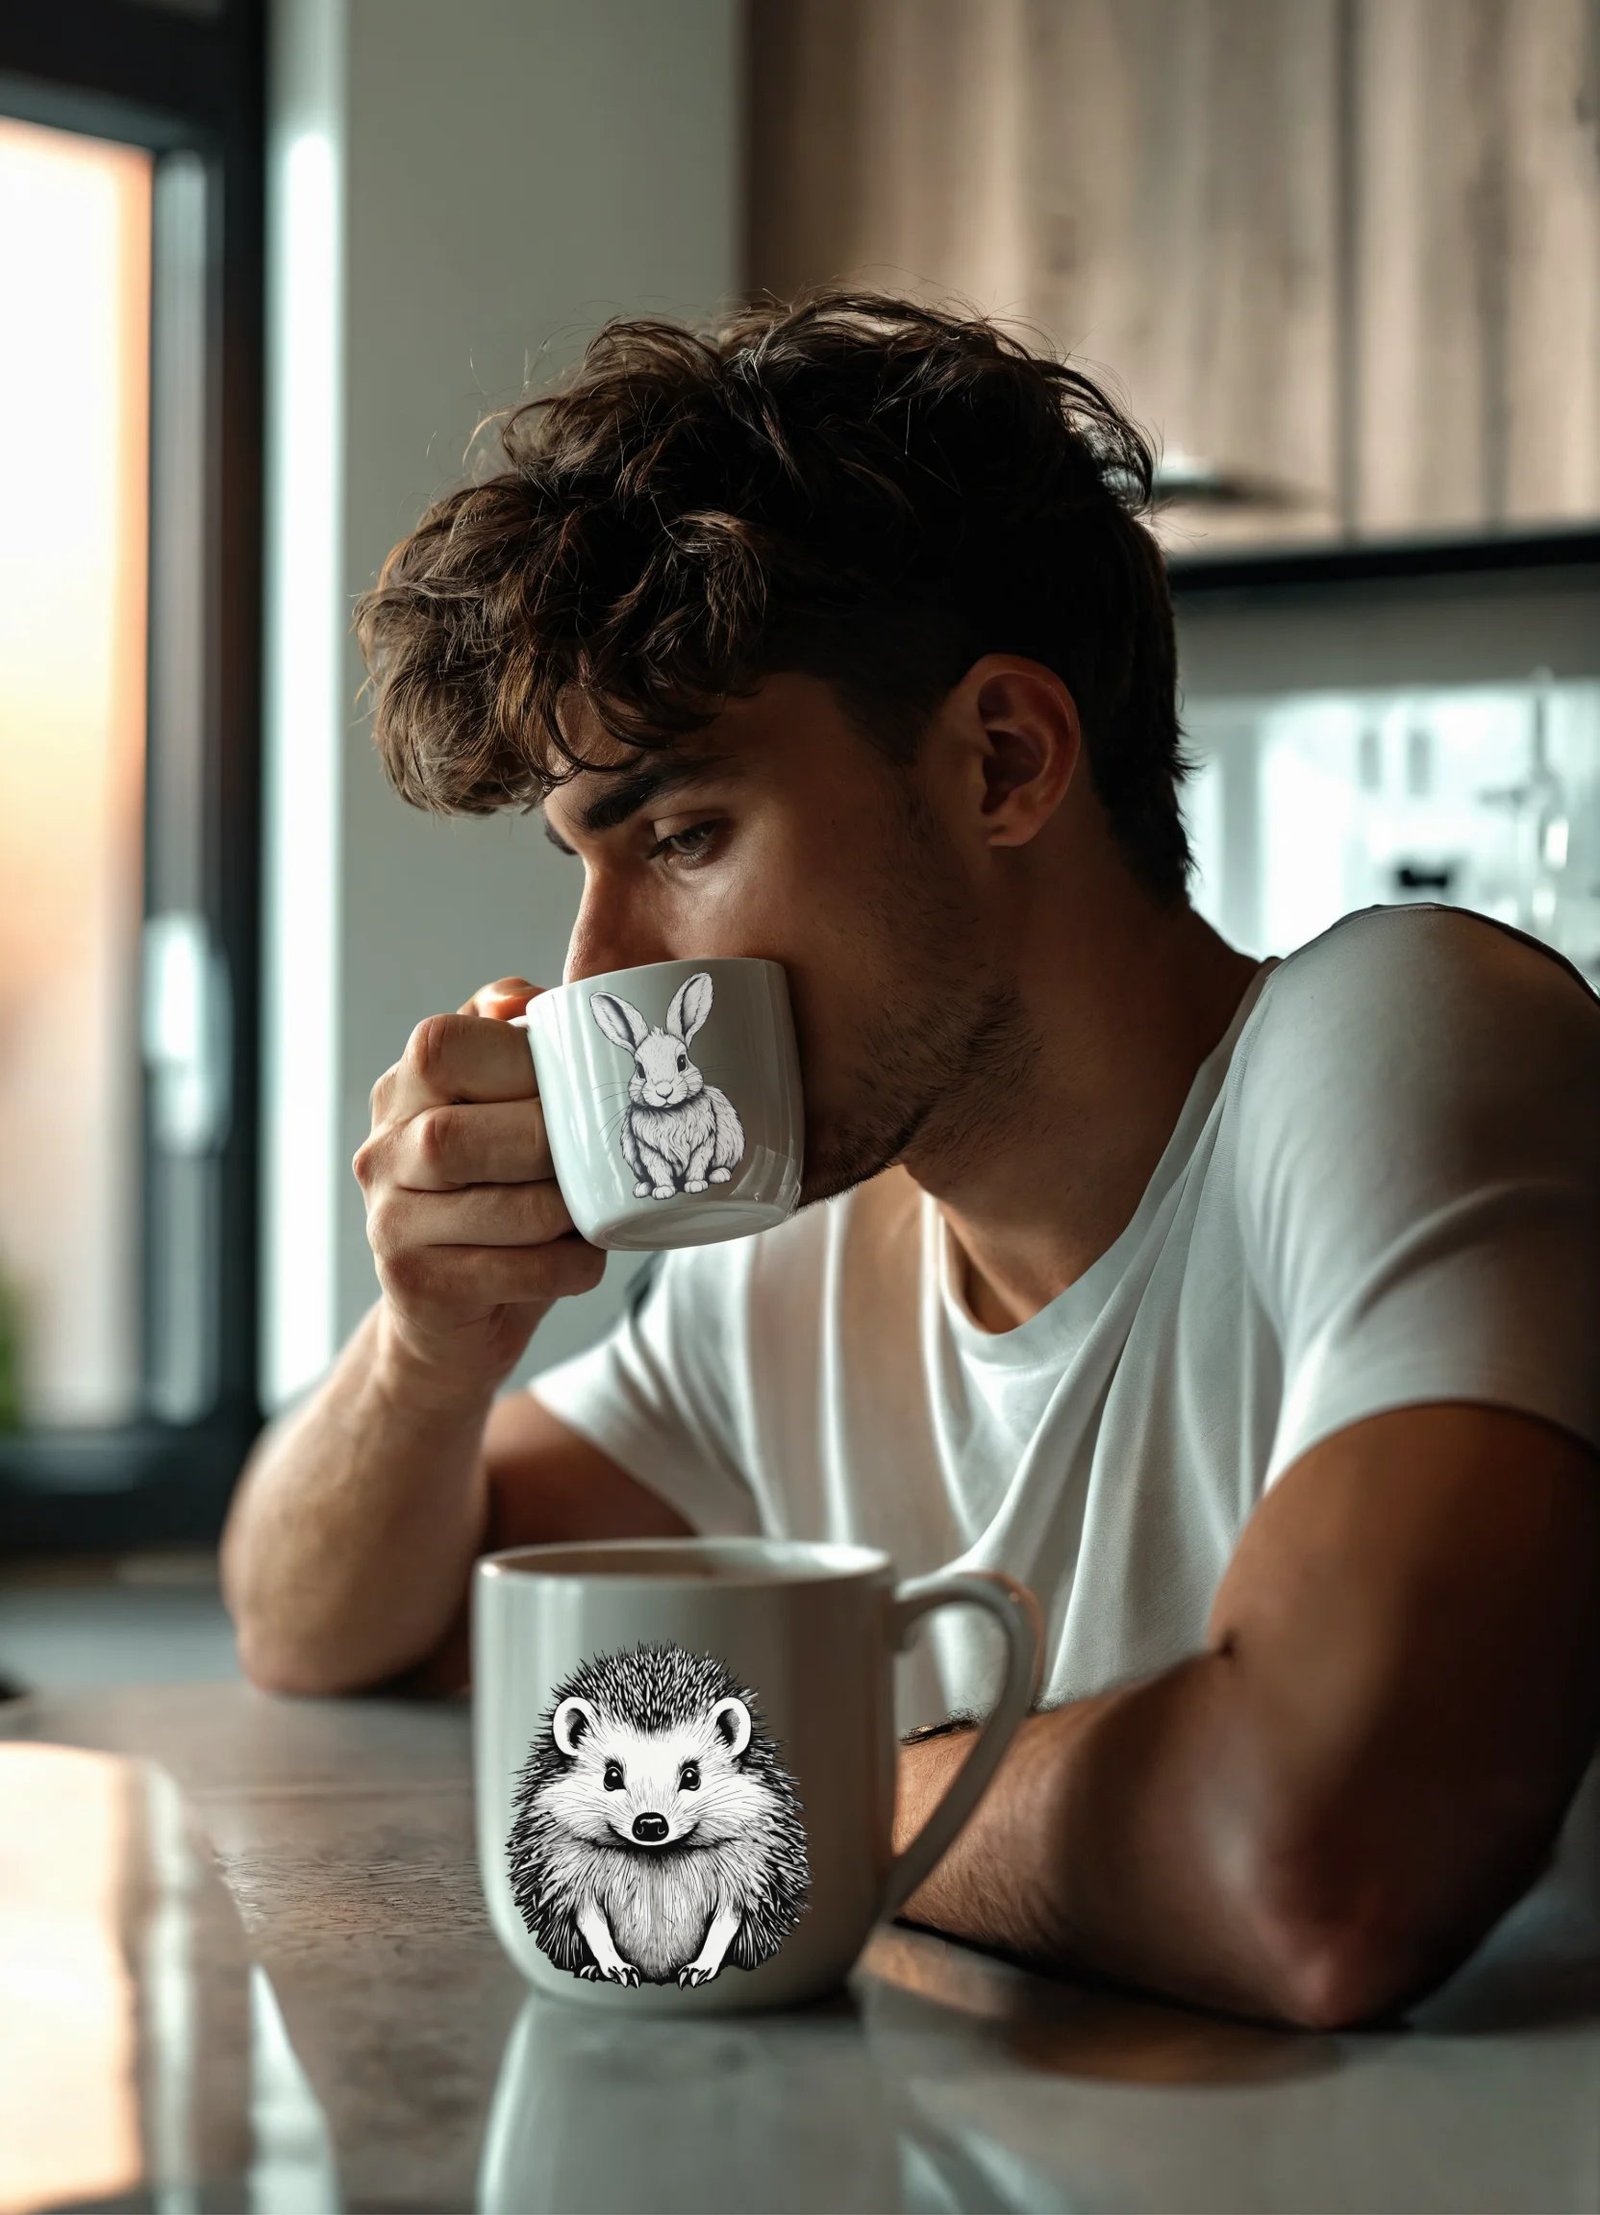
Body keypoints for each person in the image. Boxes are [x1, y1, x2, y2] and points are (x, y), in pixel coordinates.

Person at [220, 289, 1600, 2033]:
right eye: (589, 862)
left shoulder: (1406, 1037)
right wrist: (432, 1344)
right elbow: (320, 1620)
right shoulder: (797, 1261)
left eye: (688, 833)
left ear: (1004, 762)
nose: (596, 974)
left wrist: (746, 1807)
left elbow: (1317, 1862)